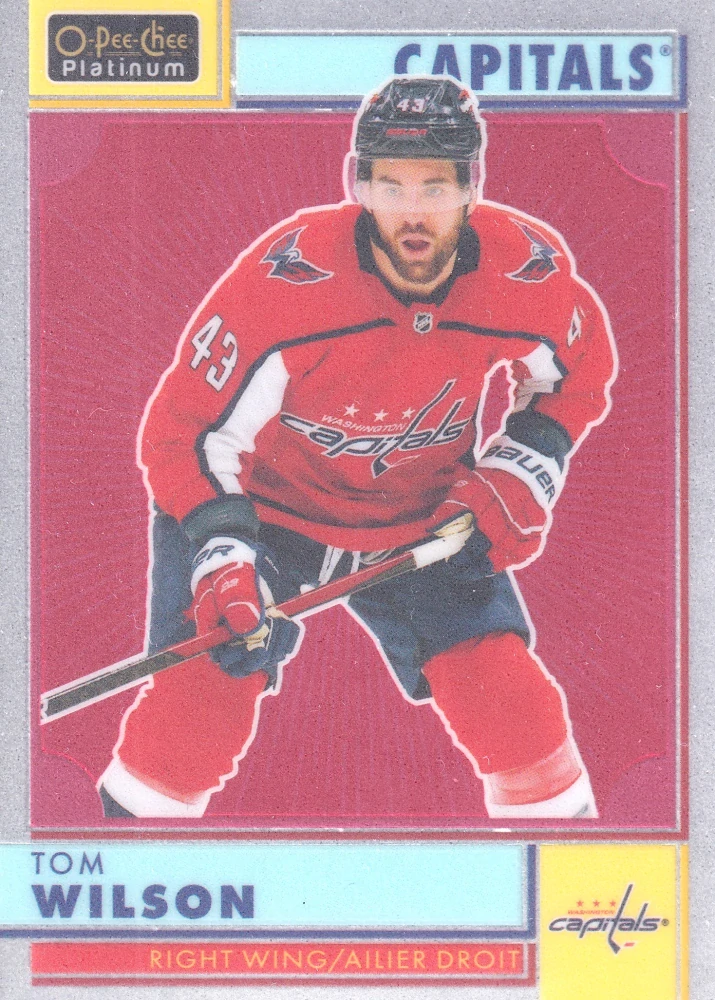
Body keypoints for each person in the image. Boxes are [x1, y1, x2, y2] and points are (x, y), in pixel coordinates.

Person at [97, 75, 616, 820]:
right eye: (390, 186)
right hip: (266, 515)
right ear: (359, 186)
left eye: (435, 187)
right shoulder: (286, 283)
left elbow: (575, 370)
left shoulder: (526, 271)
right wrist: (223, 552)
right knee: (191, 723)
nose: (413, 212)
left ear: (471, 187)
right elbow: (185, 433)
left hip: (421, 520)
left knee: (517, 715)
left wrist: (521, 465)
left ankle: (565, 882)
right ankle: (123, 875)